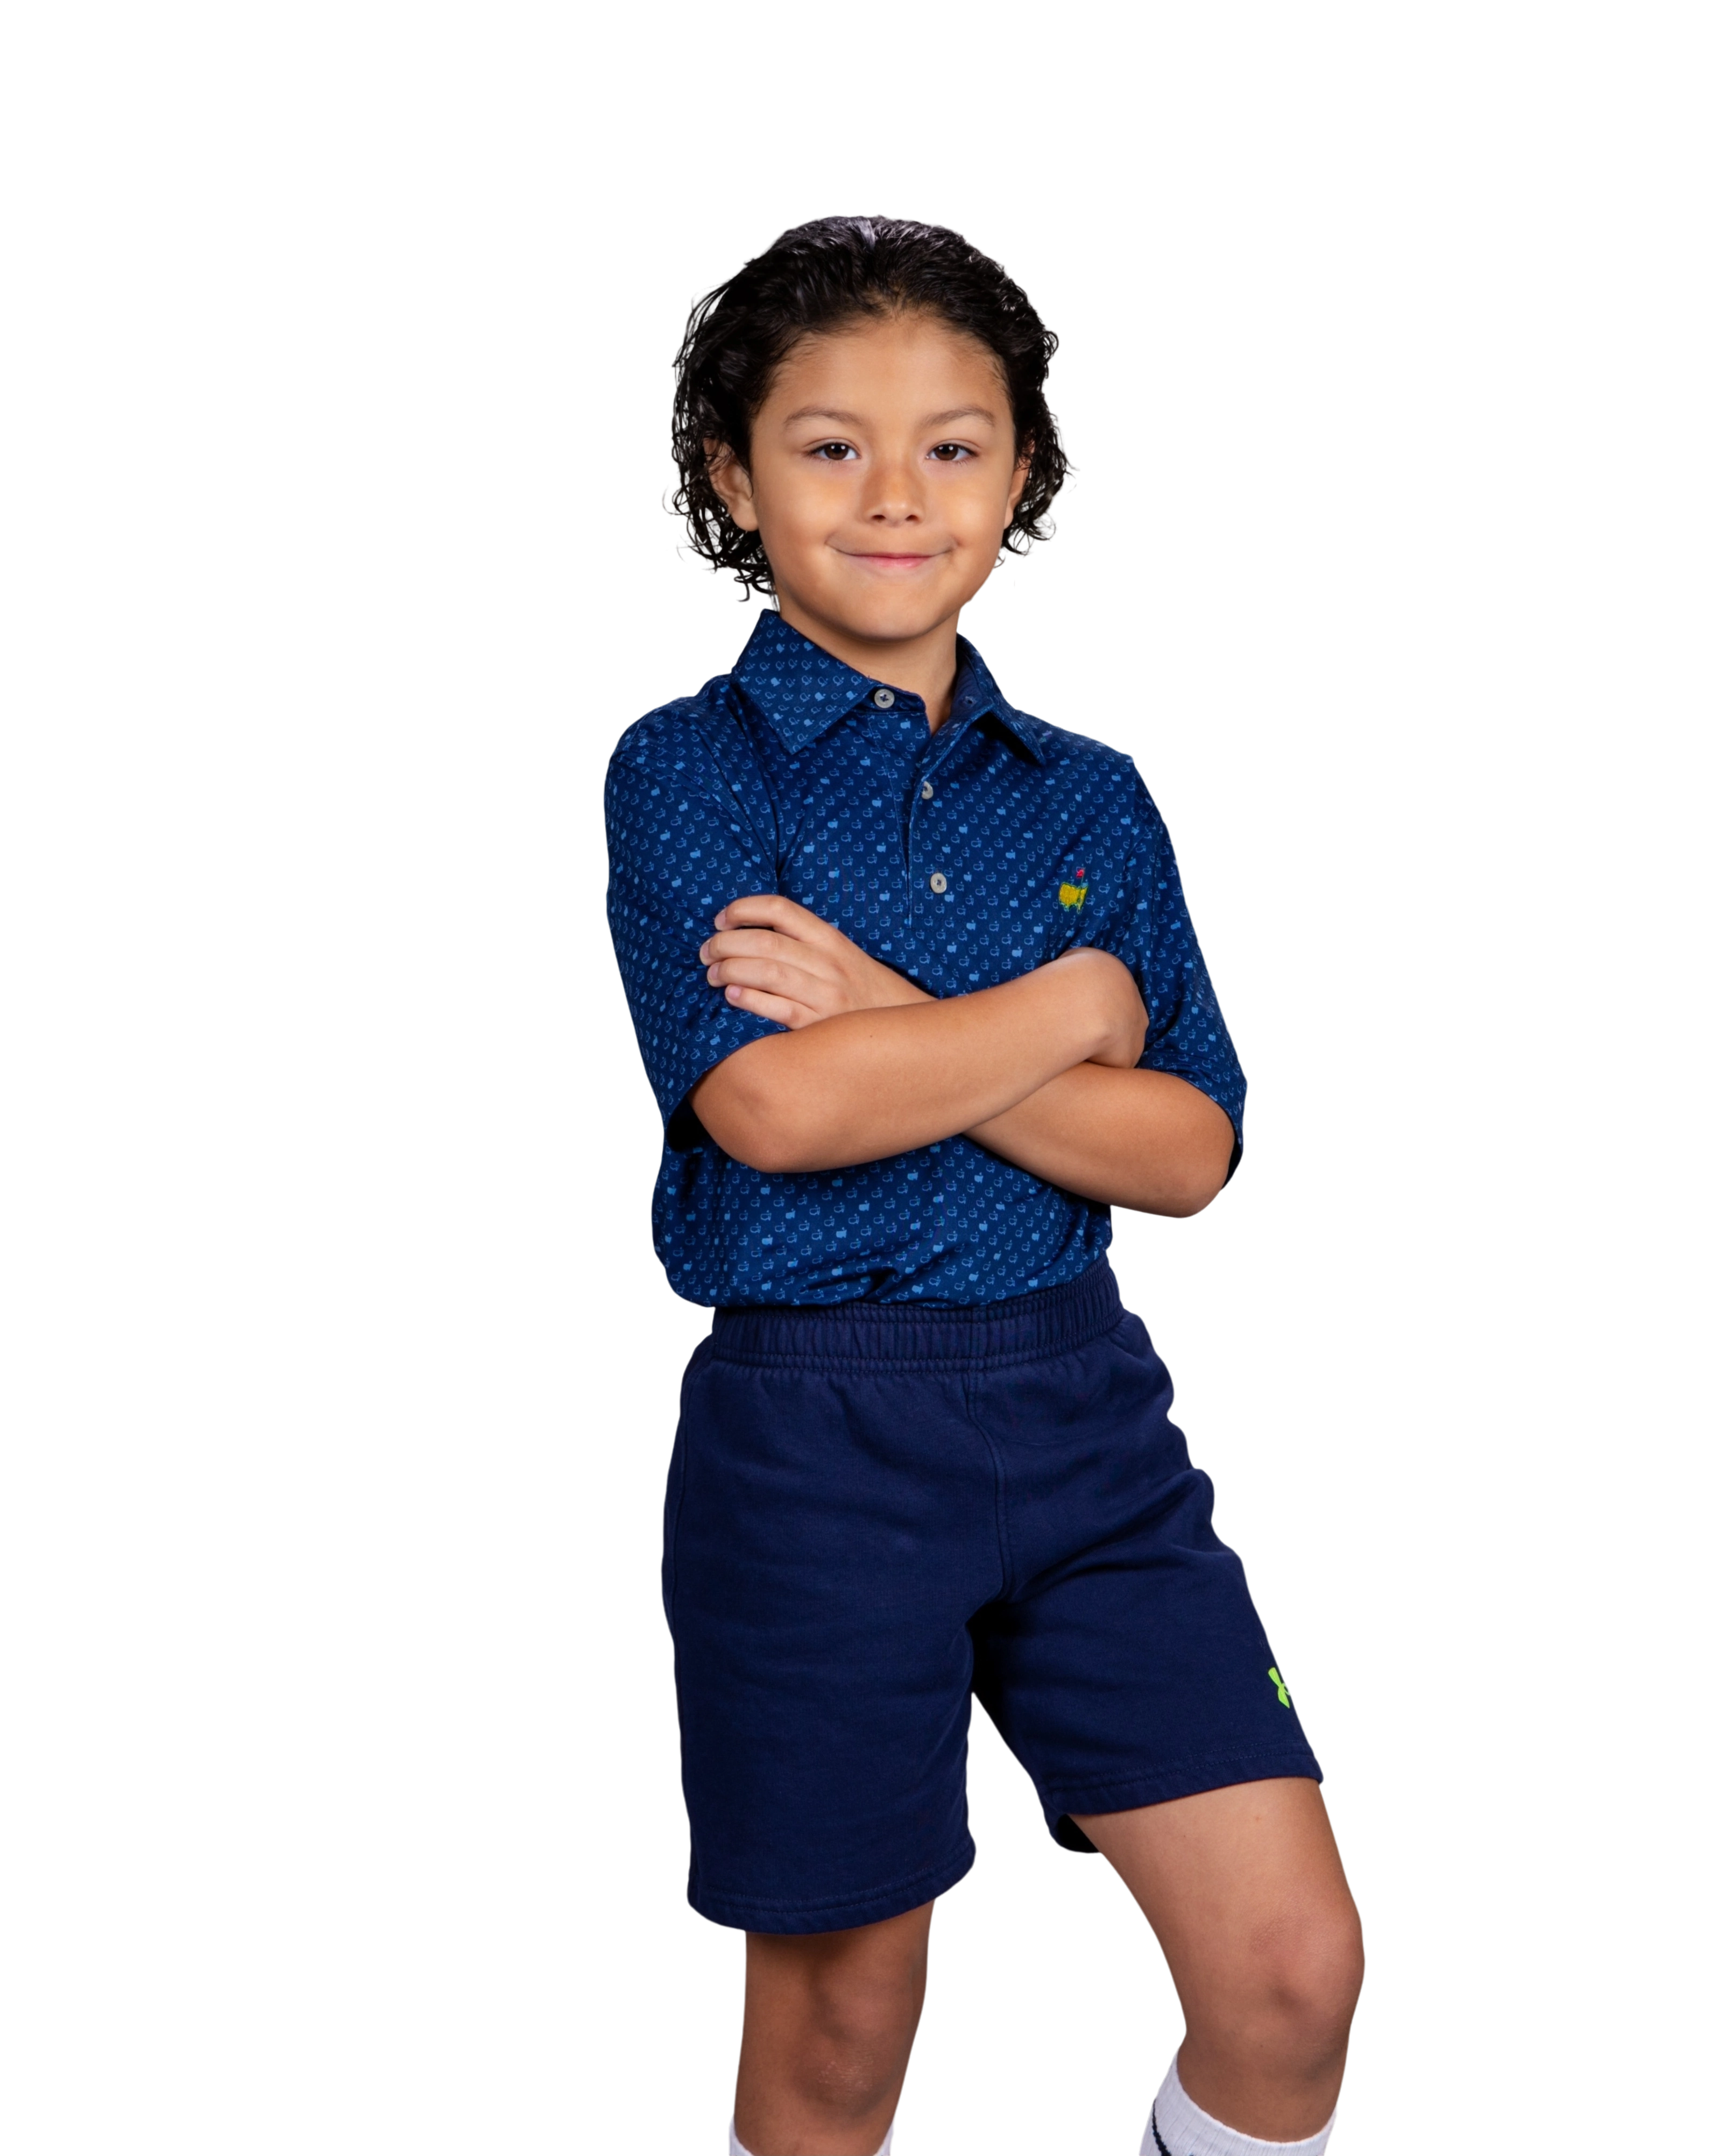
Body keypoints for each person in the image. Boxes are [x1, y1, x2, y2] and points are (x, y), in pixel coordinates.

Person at [603, 213, 1367, 2156]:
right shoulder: (685, 769)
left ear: (1018, 473)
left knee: (1292, 1974)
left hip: (1090, 1415)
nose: (895, 495)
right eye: (829, 445)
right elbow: (773, 1114)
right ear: (732, 478)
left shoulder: (1091, 791)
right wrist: (1073, 1007)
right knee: (842, 2036)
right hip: (816, 1443)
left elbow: (1186, 1151)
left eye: (951, 444)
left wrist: (881, 1016)